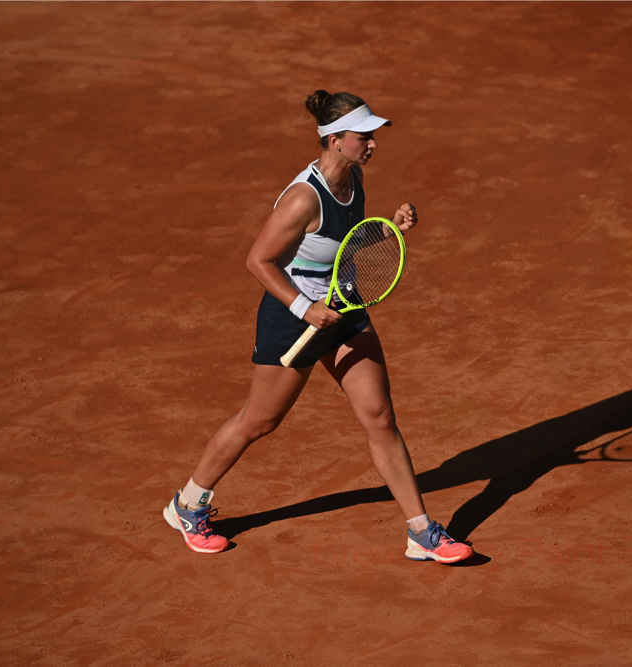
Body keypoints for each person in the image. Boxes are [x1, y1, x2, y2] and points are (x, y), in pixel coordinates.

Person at [161, 90, 474, 564]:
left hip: (344, 306)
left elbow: (345, 241)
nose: (372, 143)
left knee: (379, 417)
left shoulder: (354, 178)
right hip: (293, 318)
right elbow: (258, 260)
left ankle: (421, 532)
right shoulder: (302, 199)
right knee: (259, 420)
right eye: (363, 136)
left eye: (372, 135)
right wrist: (304, 307)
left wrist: (388, 226)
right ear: (334, 140)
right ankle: (188, 504)